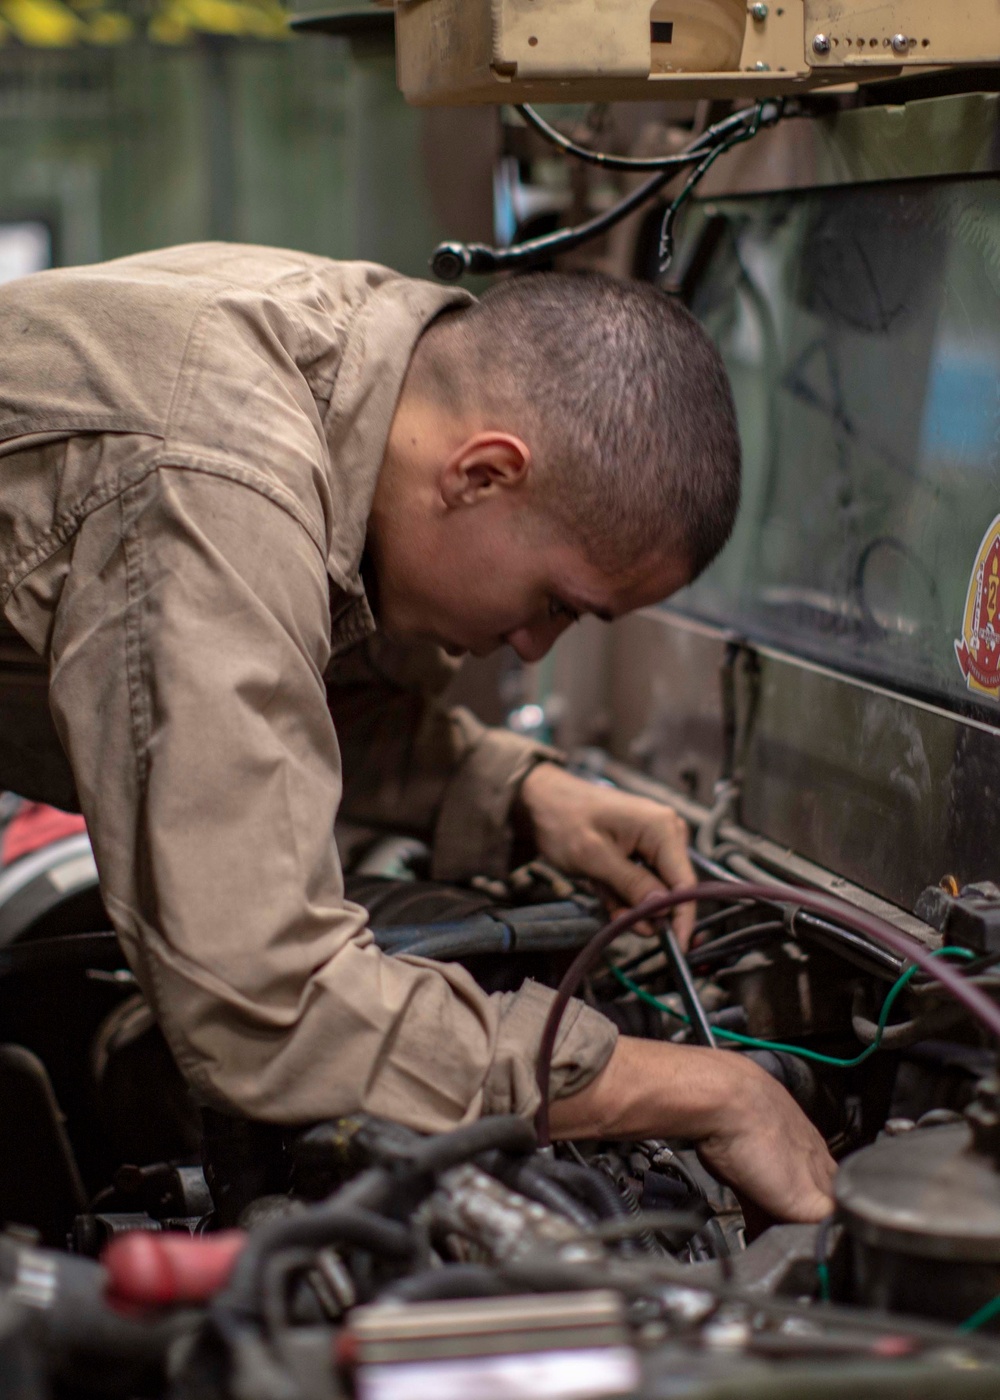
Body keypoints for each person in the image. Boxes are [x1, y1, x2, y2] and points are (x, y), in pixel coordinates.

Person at [0, 244, 834, 1223]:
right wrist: (698, 1089)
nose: (528, 643)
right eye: (555, 603)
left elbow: (255, 688)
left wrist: (510, 789)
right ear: (481, 472)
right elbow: (268, 1012)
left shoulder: (379, 364)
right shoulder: (219, 475)